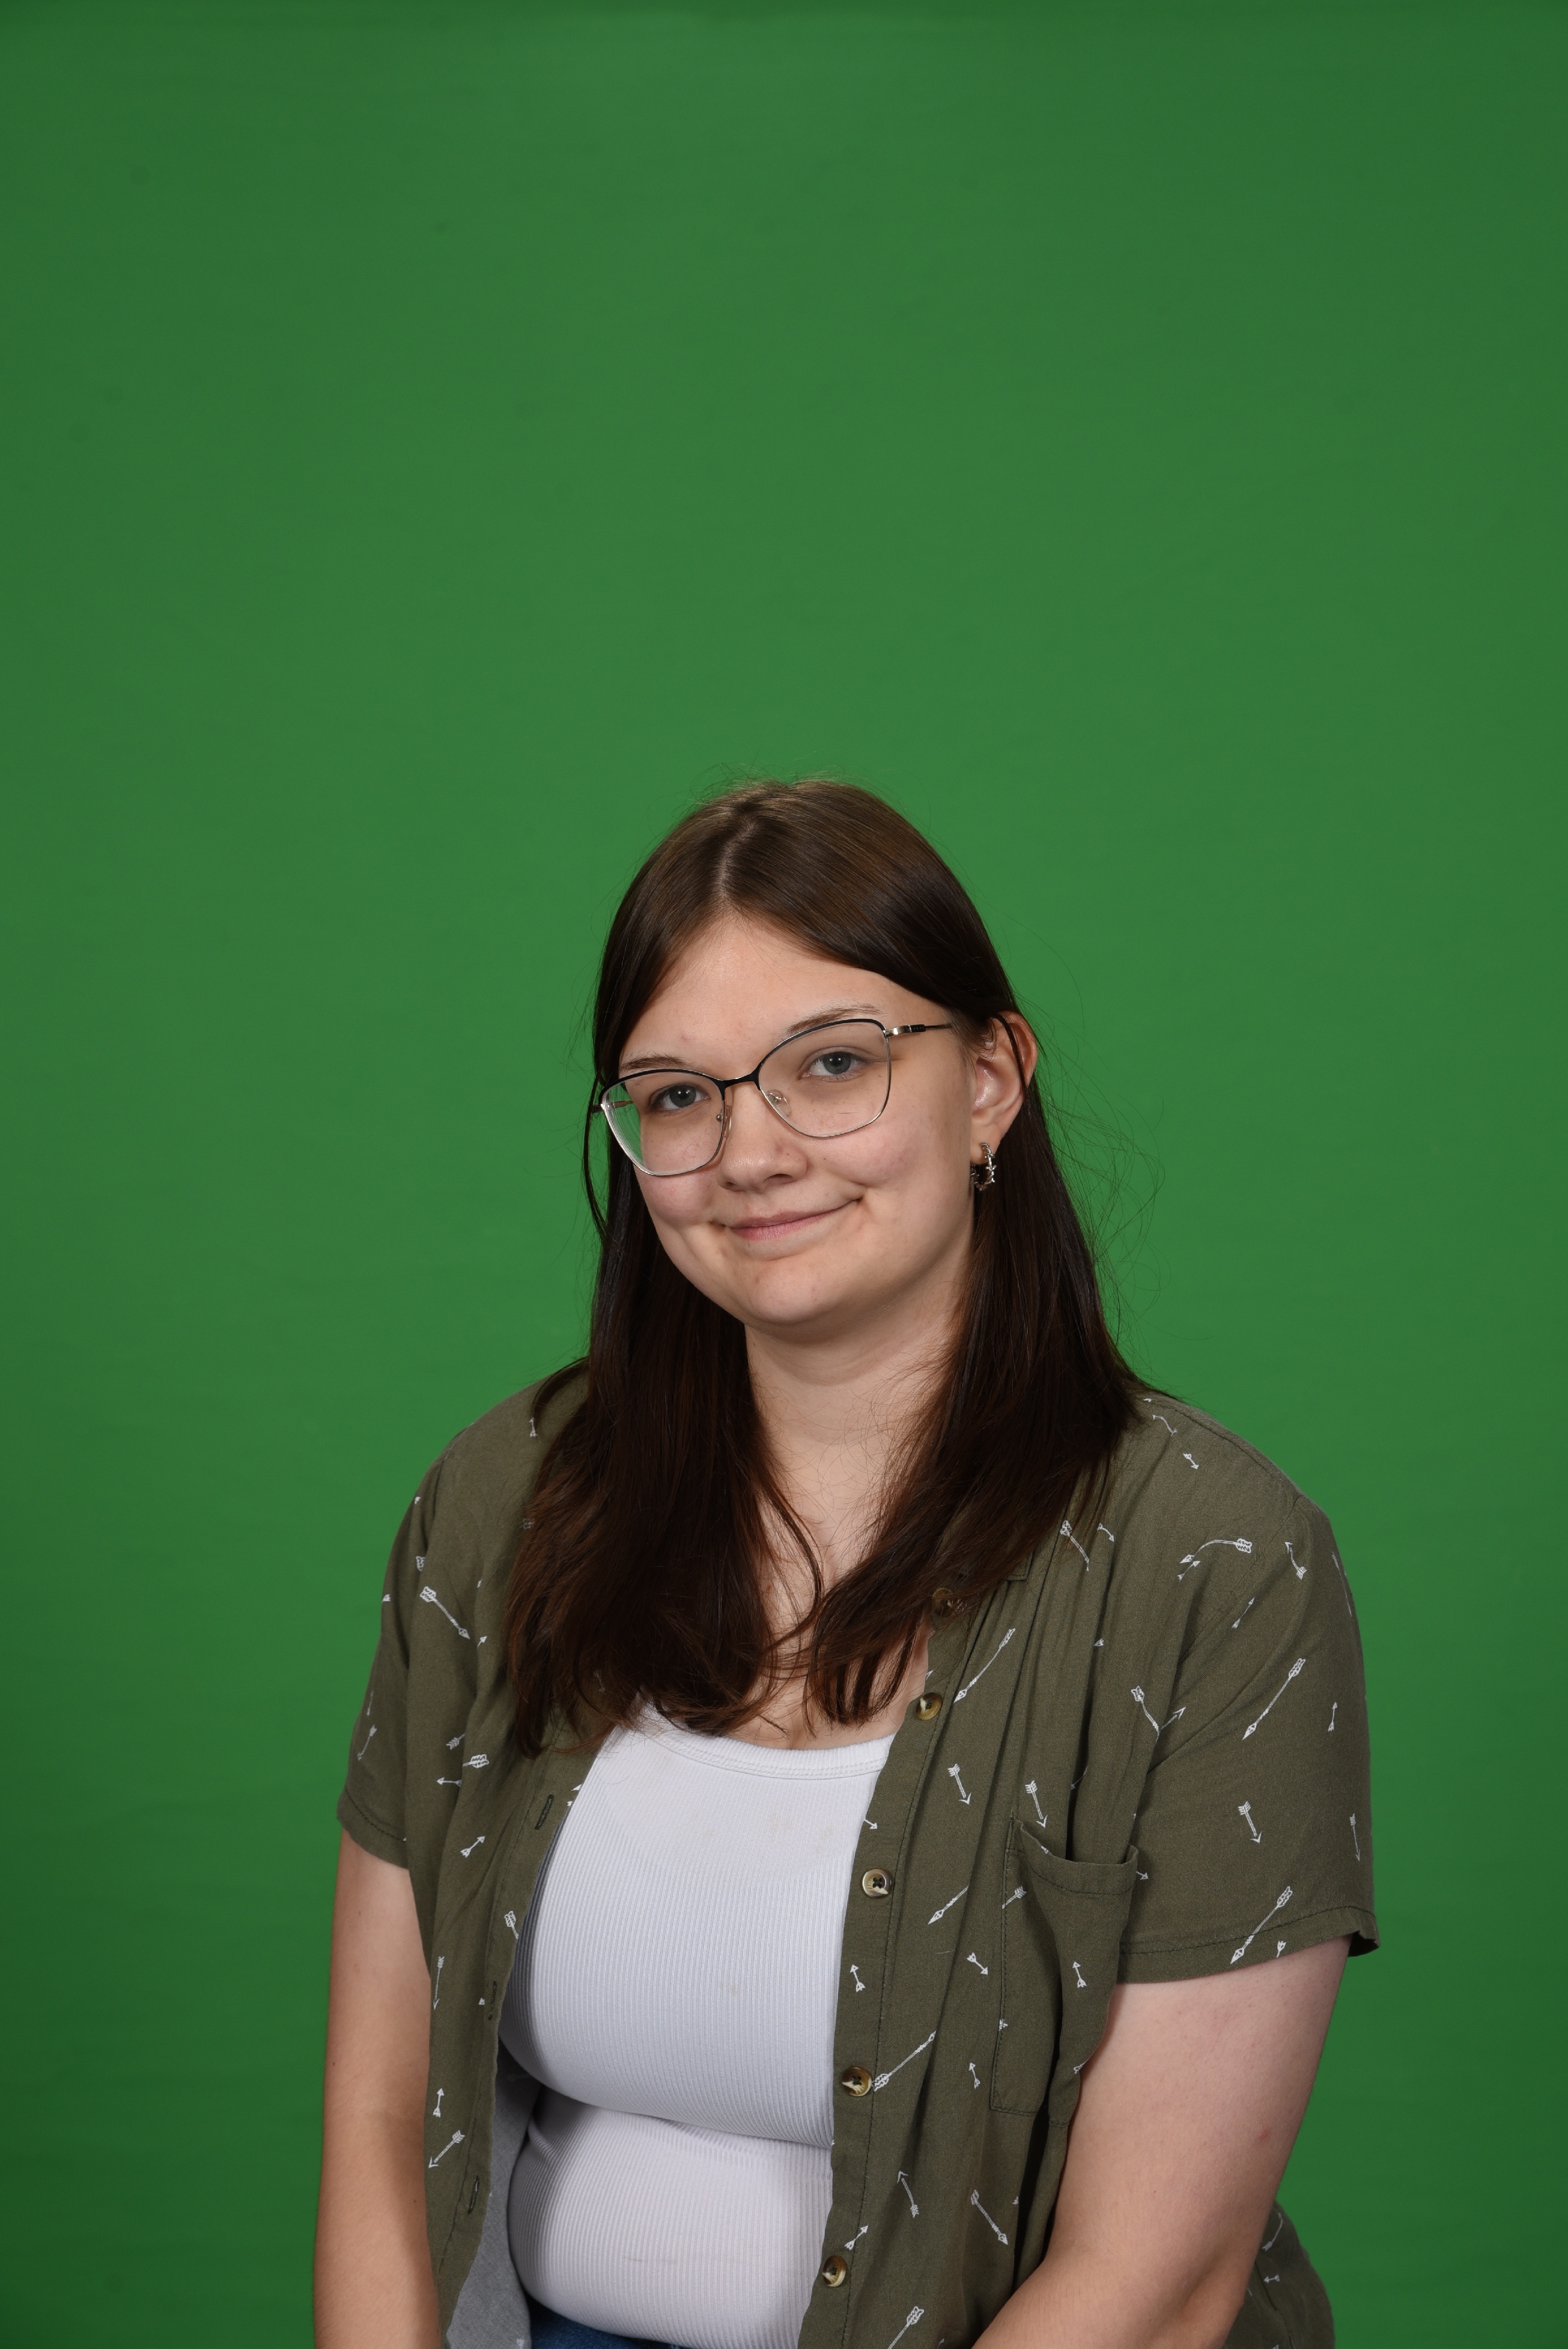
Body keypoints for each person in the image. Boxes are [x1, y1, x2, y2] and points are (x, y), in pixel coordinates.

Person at [314, 780, 1376, 2349]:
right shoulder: (504, 1498)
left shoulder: (1217, 1565)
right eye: (678, 1095)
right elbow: (379, 2119)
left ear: (989, 1082)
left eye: (832, 1064)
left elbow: (1158, 2282)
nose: (750, 1152)